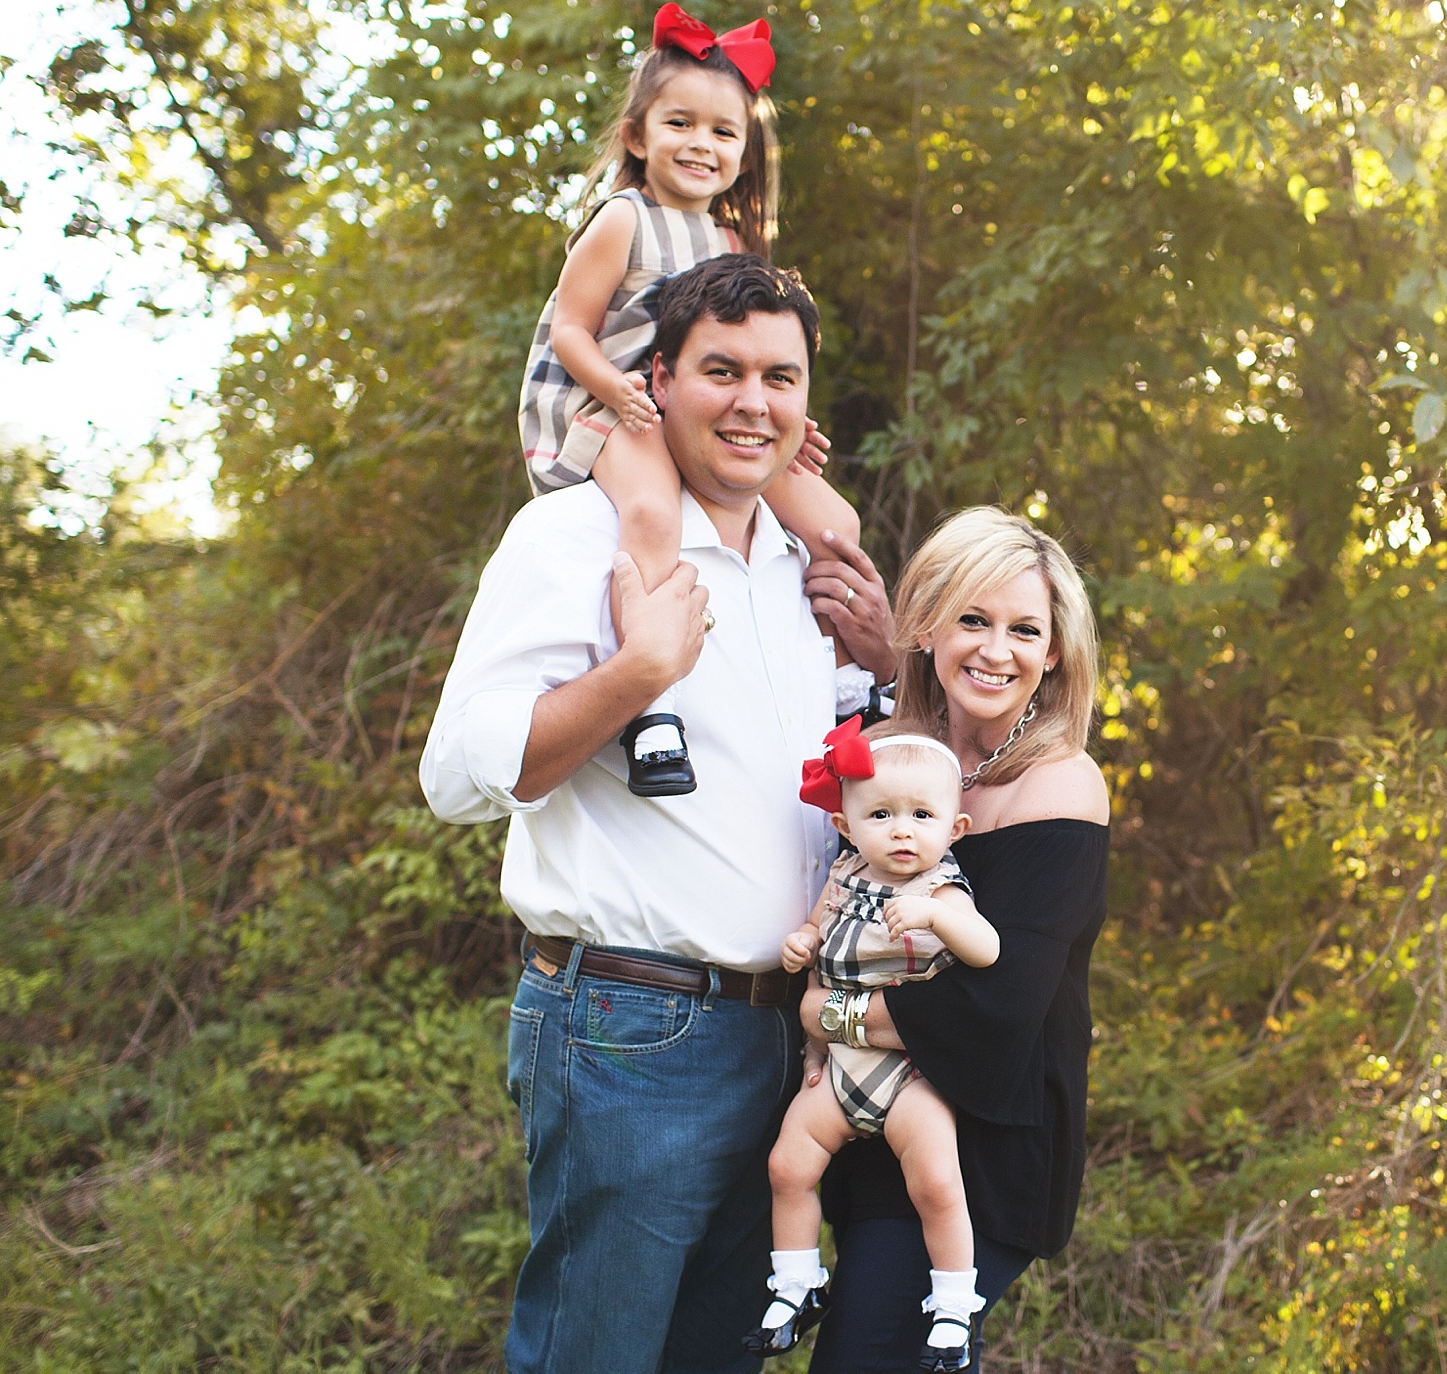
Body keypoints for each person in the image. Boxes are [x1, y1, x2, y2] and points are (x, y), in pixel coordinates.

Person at [422, 254, 896, 1374]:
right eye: (721, 370)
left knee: (719, 1356)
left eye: (780, 377)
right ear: (660, 382)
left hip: (790, 1037)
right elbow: (455, 774)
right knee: (597, 1356)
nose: (752, 401)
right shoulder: (575, 540)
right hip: (630, 1032)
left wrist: (888, 671)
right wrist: (637, 672)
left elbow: (852, 798)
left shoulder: (800, 569)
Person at [518, 1, 860, 796]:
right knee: (652, 516)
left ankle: (847, 694)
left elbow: (754, 354)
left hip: (699, 411)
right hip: (615, 401)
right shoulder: (622, 220)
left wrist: (783, 422)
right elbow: (569, 328)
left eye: (722, 132)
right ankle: (654, 706)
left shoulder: (736, 245)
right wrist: (619, 391)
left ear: (746, 150)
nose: (701, 145)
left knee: (834, 523)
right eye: (680, 124)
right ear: (639, 136)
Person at [807, 509, 1112, 1373]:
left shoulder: (1061, 782)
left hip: (990, 1142)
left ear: (1054, 652)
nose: (995, 649)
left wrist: (829, 1013)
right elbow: (841, 913)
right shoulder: (893, 761)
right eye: (973, 619)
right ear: (930, 624)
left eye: (1025, 630)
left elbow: (998, 1002)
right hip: (875, 1123)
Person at [747, 722, 1001, 1368]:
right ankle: (798, 1280)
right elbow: (818, 926)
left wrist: (938, 917)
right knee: (787, 1166)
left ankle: (951, 1302)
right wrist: (802, 940)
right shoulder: (843, 876)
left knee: (938, 1184)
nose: (902, 829)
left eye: (922, 814)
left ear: (956, 827)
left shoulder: (942, 888)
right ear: (845, 824)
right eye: (880, 814)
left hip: (909, 1072)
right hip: (840, 1067)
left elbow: (987, 948)